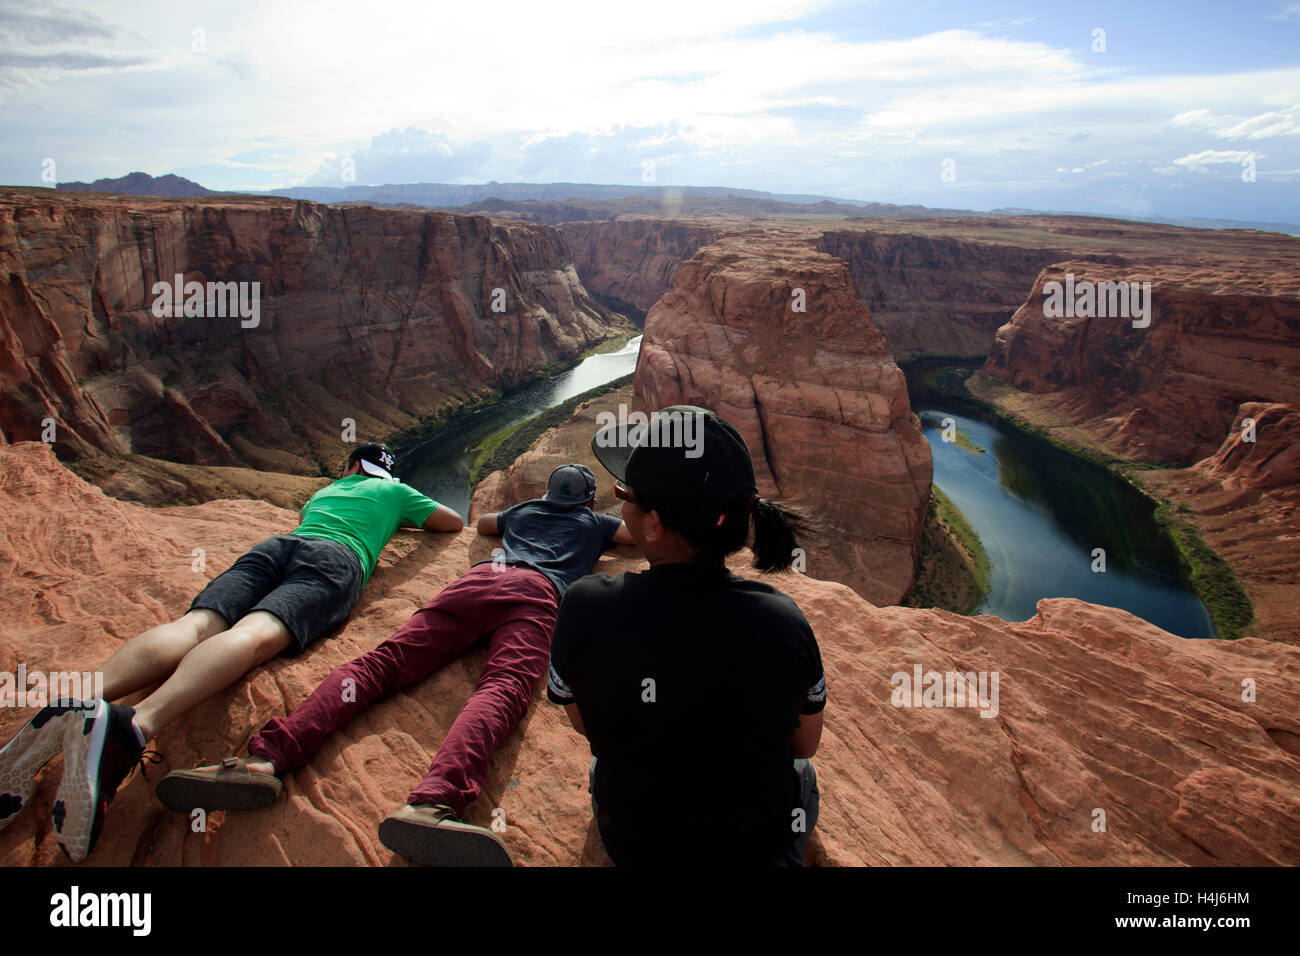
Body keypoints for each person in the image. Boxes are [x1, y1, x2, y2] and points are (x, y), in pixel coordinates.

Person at [0, 442, 462, 863]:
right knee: (257, 633)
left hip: (277, 547)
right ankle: (133, 726)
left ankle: (85, 694)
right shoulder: (395, 491)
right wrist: (398, 514)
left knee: (196, 624)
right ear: (384, 473)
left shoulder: (324, 494)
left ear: (349, 467)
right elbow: (451, 522)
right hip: (335, 560)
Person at [155, 463, 635, 866]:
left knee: (383, 665)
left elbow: (486, 524)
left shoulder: (524, 511)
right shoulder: (594, 524)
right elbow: (634, 536)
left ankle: (264, 759)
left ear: (548, 493)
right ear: (589, 503)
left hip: (479, 579)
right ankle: (433, 803)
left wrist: (524, 513)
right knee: (502, 687)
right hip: (535, 595)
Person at [547, 406, 826, 866]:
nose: (620, 501)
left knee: (601, 764)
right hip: (758, 845)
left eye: (624, 492)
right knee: (805, 773)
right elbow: (804, 745)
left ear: (653, 525)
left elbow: (584, 725)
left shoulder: (585, 606)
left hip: (634, 842)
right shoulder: (783, 621)